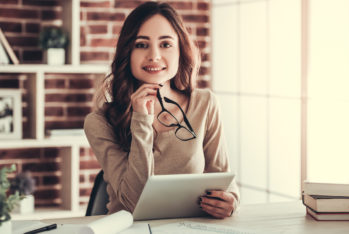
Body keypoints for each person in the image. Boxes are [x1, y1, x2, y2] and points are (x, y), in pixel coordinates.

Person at [84, 1, 240, 219]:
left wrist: (230, 202)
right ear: (127, 52)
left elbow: (224, 179)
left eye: (166, 44)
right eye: (141, 44)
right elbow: (134, 203)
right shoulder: (99, 122)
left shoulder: (205, 104)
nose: (154, 55)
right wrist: (141, 119)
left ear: (180, 50)